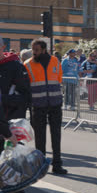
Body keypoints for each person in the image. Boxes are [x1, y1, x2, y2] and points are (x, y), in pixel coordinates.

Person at [0, 31, 28, 193]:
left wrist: (1, 100)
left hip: (9, 135)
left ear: (2, 48)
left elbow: (25, 98)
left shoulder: (15, 67)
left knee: (16, 185)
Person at [24, 39, 67, 175]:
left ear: (44, 50)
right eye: (32, 50)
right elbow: (26, 85)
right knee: (40, 137)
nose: (34, 53)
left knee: (56, 135)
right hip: (38, 105)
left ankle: (57, 164)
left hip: (55, 103)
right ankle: (40, 165)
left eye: (36, 50)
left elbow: (58, 79)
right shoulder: (28, 64)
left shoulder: (55, 61)